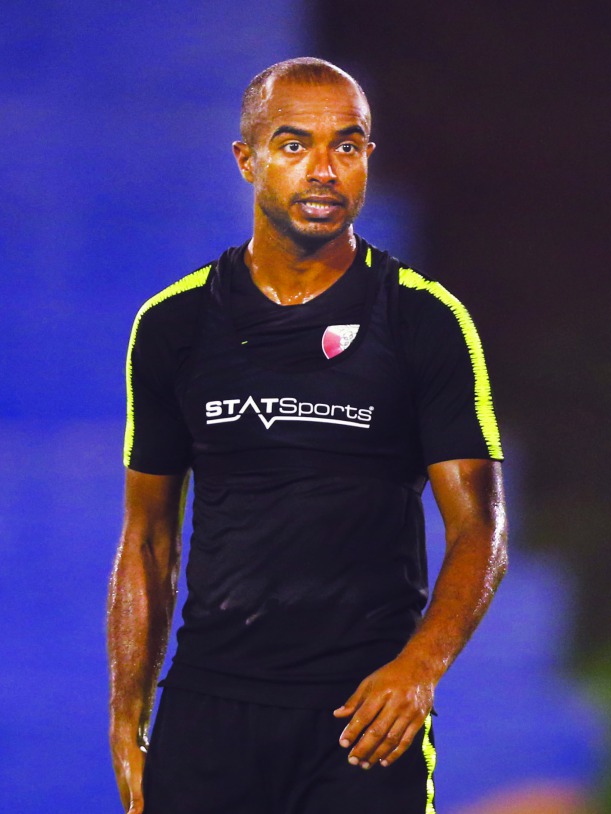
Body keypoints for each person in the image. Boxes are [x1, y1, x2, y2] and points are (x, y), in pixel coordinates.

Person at [107, 58, 507, 814]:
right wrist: (127, 718)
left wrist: (418, 669)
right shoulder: (173, 326)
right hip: (207, 717)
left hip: (362, 719)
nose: (324, 169)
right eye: (295, 146)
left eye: (346, 146)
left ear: (367, 160)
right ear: (246, 159)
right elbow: (147, 540)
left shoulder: (426, 320)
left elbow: (480, 530)